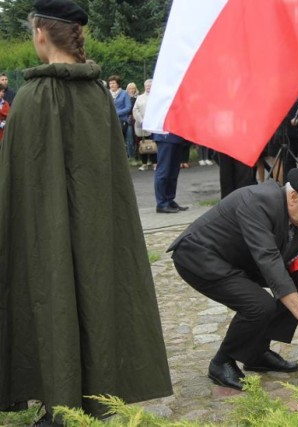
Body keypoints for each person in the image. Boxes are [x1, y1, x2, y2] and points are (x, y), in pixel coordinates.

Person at [0, 1, 172, 423]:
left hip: (44, 232)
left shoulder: (31, 98)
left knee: (50, 294)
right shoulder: (97, 96)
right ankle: (92, 397)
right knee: (95, 292)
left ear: (40, 33)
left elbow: (19, 185)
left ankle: (58, 404)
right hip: (98, 231)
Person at [168, 168, 298, 390]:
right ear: (294, 197)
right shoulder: (256, 201)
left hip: (240, 259)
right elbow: (270, 264)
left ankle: (255, 354)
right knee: (259, 305)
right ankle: (222, 362)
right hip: (200, 257)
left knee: (295, 285)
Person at [153, 131, 189, 213]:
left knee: (173, 171)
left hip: (177, 136)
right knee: (163, 171)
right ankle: (161, 203)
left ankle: (169, 199)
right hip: (165, 135)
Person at [132, 78, 157, 170]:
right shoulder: (140, 97)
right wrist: (141, 120)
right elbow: (135, 110)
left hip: (154, 125)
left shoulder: (156, 97)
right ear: (144, 87)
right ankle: (144, 164)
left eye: (150, 86)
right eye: (147, 86)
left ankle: (155, 163)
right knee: (142, 144)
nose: (148, 88)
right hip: (141, 124)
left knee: (153, 144)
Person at [107, 74, 131, 147]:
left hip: (121, 120)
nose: (111, 85)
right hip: (109, 119)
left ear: (118, 84)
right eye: (110, 83)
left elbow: (128, 107)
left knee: (119, 139)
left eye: (113, 83)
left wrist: (117, 113)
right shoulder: (107, 93)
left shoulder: (124, 93)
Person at [125, 82, 139, 163]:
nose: (131, 90)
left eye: (133, 88)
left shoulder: (138, 97)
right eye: (130, 88)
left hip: (136, 120)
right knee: (130, 139)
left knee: (137, 139)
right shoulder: (125, 97)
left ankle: (138, 155)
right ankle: (131, 156)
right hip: (129, 120)